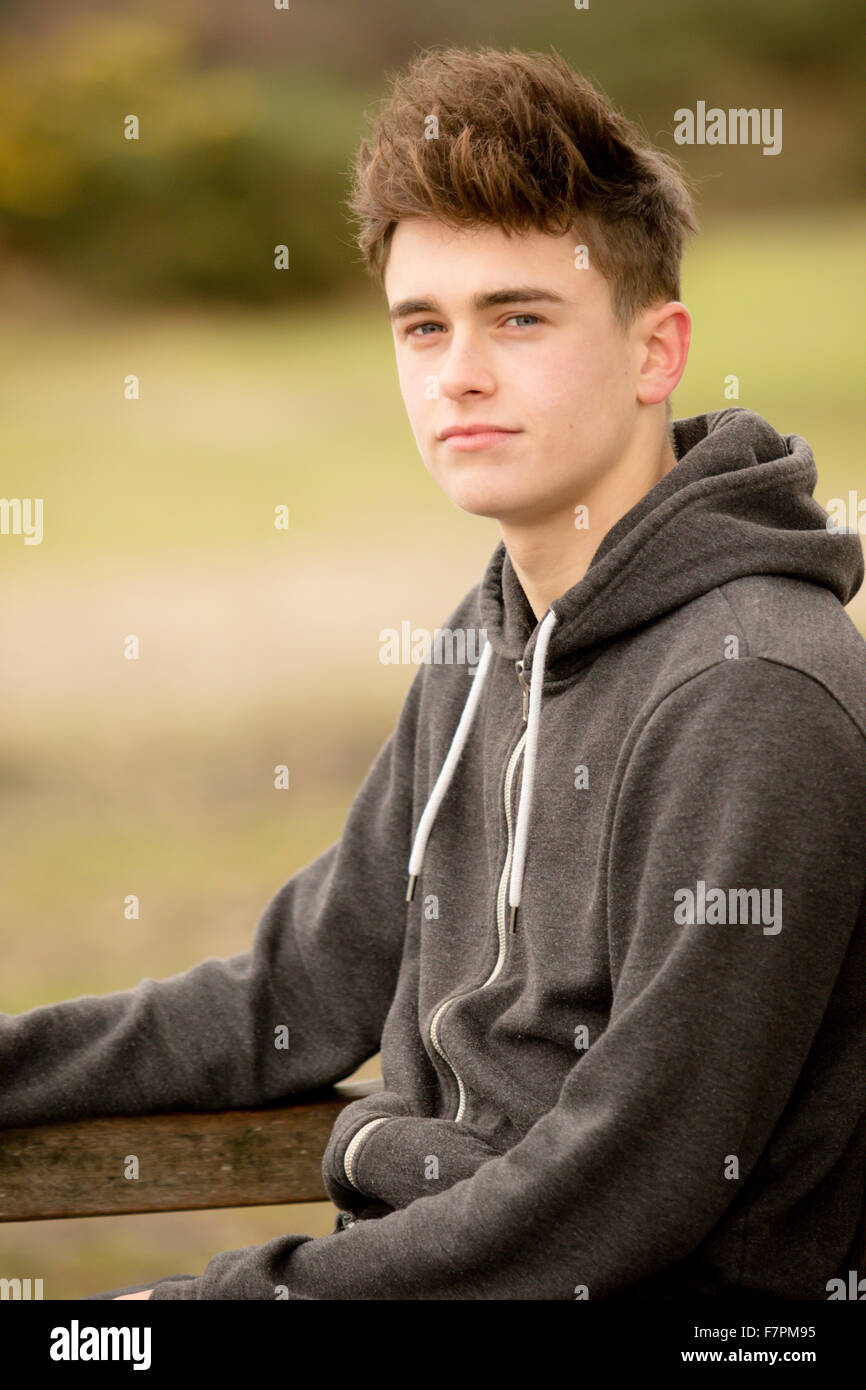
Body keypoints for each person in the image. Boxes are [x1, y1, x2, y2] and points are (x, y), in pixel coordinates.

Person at [5, 44, 866, 1302]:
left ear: (653, 350)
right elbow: (290, 997)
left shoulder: (751, 690)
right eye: (423, 325)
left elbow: (627, 1184)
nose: (456, 371)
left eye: (518, 316)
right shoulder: (493, 637)